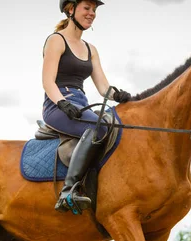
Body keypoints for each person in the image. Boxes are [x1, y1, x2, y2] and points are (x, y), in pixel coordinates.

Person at [42, 0, 131, 214]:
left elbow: (103, 88)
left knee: (115, 125)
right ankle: (68, 191)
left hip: (81, 105)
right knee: (99, 127)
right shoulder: (56, 40)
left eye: (94, 10)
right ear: (70, 9)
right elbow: (47, 82)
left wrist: (118, 95)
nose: (92, 13)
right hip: (57, 106)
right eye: (87, 8)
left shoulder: (91, 49)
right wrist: (62, 103)